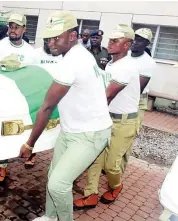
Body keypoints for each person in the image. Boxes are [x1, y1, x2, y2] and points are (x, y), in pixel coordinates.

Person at [19, 11, 112, 221]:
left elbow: (47, 107)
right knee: (54, 177)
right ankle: (51, 217)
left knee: (58, 184)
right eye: (49, 38)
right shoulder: (78, 54)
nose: (51, 42)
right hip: (71, 130)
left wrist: (30, 144)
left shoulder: (73, 61)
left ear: (72, 36)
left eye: (56, 38)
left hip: (90, 133)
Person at [74, 24, 139, 210]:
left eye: (115, 40)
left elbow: (107, 95)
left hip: (123, 122)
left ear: (126, 45)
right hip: (107, 118)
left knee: (111, 166)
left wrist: (82, 111)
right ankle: (91, 195)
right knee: (94, 160)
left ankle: (116, 186)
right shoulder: (111, 63)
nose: (109, 43)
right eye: (110, 39)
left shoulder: (127, 66)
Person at [0, 13, 37, 184]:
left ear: (24, 29)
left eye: (17, 26)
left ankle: (28, 151)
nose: (13, 29)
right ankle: (1, 165)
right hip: (3, 97)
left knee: (22, 128)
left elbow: (32, 75)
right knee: (2, 130)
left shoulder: (30, 52)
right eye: (11, 26)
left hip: (22, 97)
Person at [120, 28, 156, 173]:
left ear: (147, 43)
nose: (135, 41)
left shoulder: (148, 63)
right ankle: (109, 163)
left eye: (140, 40)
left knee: (127, 134)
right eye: (134, 38)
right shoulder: (125, 55)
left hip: (136, 100)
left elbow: (137, 89)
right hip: (119, 95)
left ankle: (118, 170)